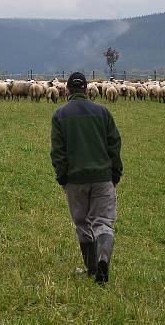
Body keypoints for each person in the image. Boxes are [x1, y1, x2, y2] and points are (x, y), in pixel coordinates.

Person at [51, 72, 122, 284]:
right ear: (87, 89)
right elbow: (114, 145)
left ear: (67, 91)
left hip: (75, 180)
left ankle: (92, 269)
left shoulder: (60, 115)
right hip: (102, 177)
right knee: (103, 223)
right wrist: (115, 174)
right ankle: (103, 259)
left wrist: (62, 178)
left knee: (83, 223)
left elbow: (58, 152)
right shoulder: (103, 112)